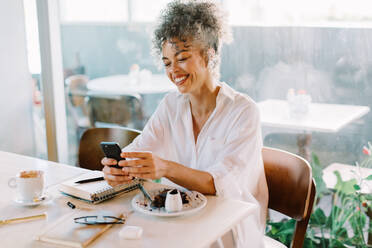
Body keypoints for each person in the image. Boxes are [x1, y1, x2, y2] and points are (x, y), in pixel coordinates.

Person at [102, 1, 268, 247]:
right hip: (178, 221)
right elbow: (138, 152)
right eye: (167, 62)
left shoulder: (243, 111)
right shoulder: (171, 105)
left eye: (182, 58)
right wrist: (119, 169)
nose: (173, 71)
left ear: (208, 55)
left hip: (229, 230)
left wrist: (166, 168)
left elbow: (220, 184)